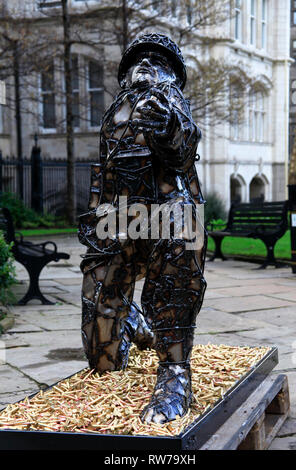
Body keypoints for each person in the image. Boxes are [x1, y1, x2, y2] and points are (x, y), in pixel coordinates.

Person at [79, 33, 207, 424]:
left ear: (172, 72)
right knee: (102, 354)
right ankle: (131, 321)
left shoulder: (170, 101)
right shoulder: (115, 115)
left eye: (158, 60)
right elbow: (104, 177)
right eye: (140, 59)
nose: (148, 66)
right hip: (121, 218)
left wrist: (169, 127)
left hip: (170, 213)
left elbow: (185, 143)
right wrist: (96, 227)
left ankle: (175, 372)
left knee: (179, 246)